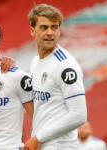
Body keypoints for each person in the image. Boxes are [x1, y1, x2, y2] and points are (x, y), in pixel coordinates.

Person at [24, 4, 87, 150]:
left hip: (61, 145)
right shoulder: (35, 62)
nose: (50, 32)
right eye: (44, 27)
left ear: (59, 31)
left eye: (54, 27)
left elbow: (79, 115)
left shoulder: (65, 66)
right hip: (42, 144)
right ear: (32, 30)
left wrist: (39, 137)